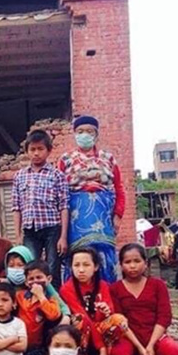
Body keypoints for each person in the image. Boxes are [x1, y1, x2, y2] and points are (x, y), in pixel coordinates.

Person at [58, 115, 126, 283]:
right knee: (79, 256)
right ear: (74, 134)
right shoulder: (65, 160)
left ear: (96, 134)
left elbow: (119, 188)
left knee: (104, 257)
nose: (84, 135)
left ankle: (106, 297)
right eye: (80, 131)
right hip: (76, 218)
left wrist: (118, 215)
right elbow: (58, 191)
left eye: (89, 131)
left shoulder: (108, 159)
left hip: (103, 217)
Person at [60, 247, 142, 355]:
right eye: (76, 265)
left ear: (96, 267)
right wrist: (101, 347)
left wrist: (107, 311)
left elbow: (111, 313)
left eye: (86, 265)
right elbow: (84, 318)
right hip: (83, 333)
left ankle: (114, 352)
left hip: (100, 330)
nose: (81, 270)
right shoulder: (67, 289)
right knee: (80, 319)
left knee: (119, 319)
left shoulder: (103, 286)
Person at [12, 129, 69, 289]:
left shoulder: (57, 175)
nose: (36, 153)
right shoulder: (19, 176)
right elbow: (16, 207)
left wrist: (63, 236)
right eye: (32, 149)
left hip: (52, 229)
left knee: (52, 268)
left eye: (40, 149)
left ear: (49, 150)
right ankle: (33, 303)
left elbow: (64, 206)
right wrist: (17, 235)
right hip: (30, 230)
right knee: (31, 268)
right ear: (27, 151)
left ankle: (56, 306)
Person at [16, 260, 63, 355]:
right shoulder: (20, 296)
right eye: (31, 279)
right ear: (27, 283)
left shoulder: (51, 300)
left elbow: (54, 315)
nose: (35, 281)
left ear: (49, 279)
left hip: (37, 349)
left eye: (39, 277)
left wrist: (41, 296)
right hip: (18, 345)